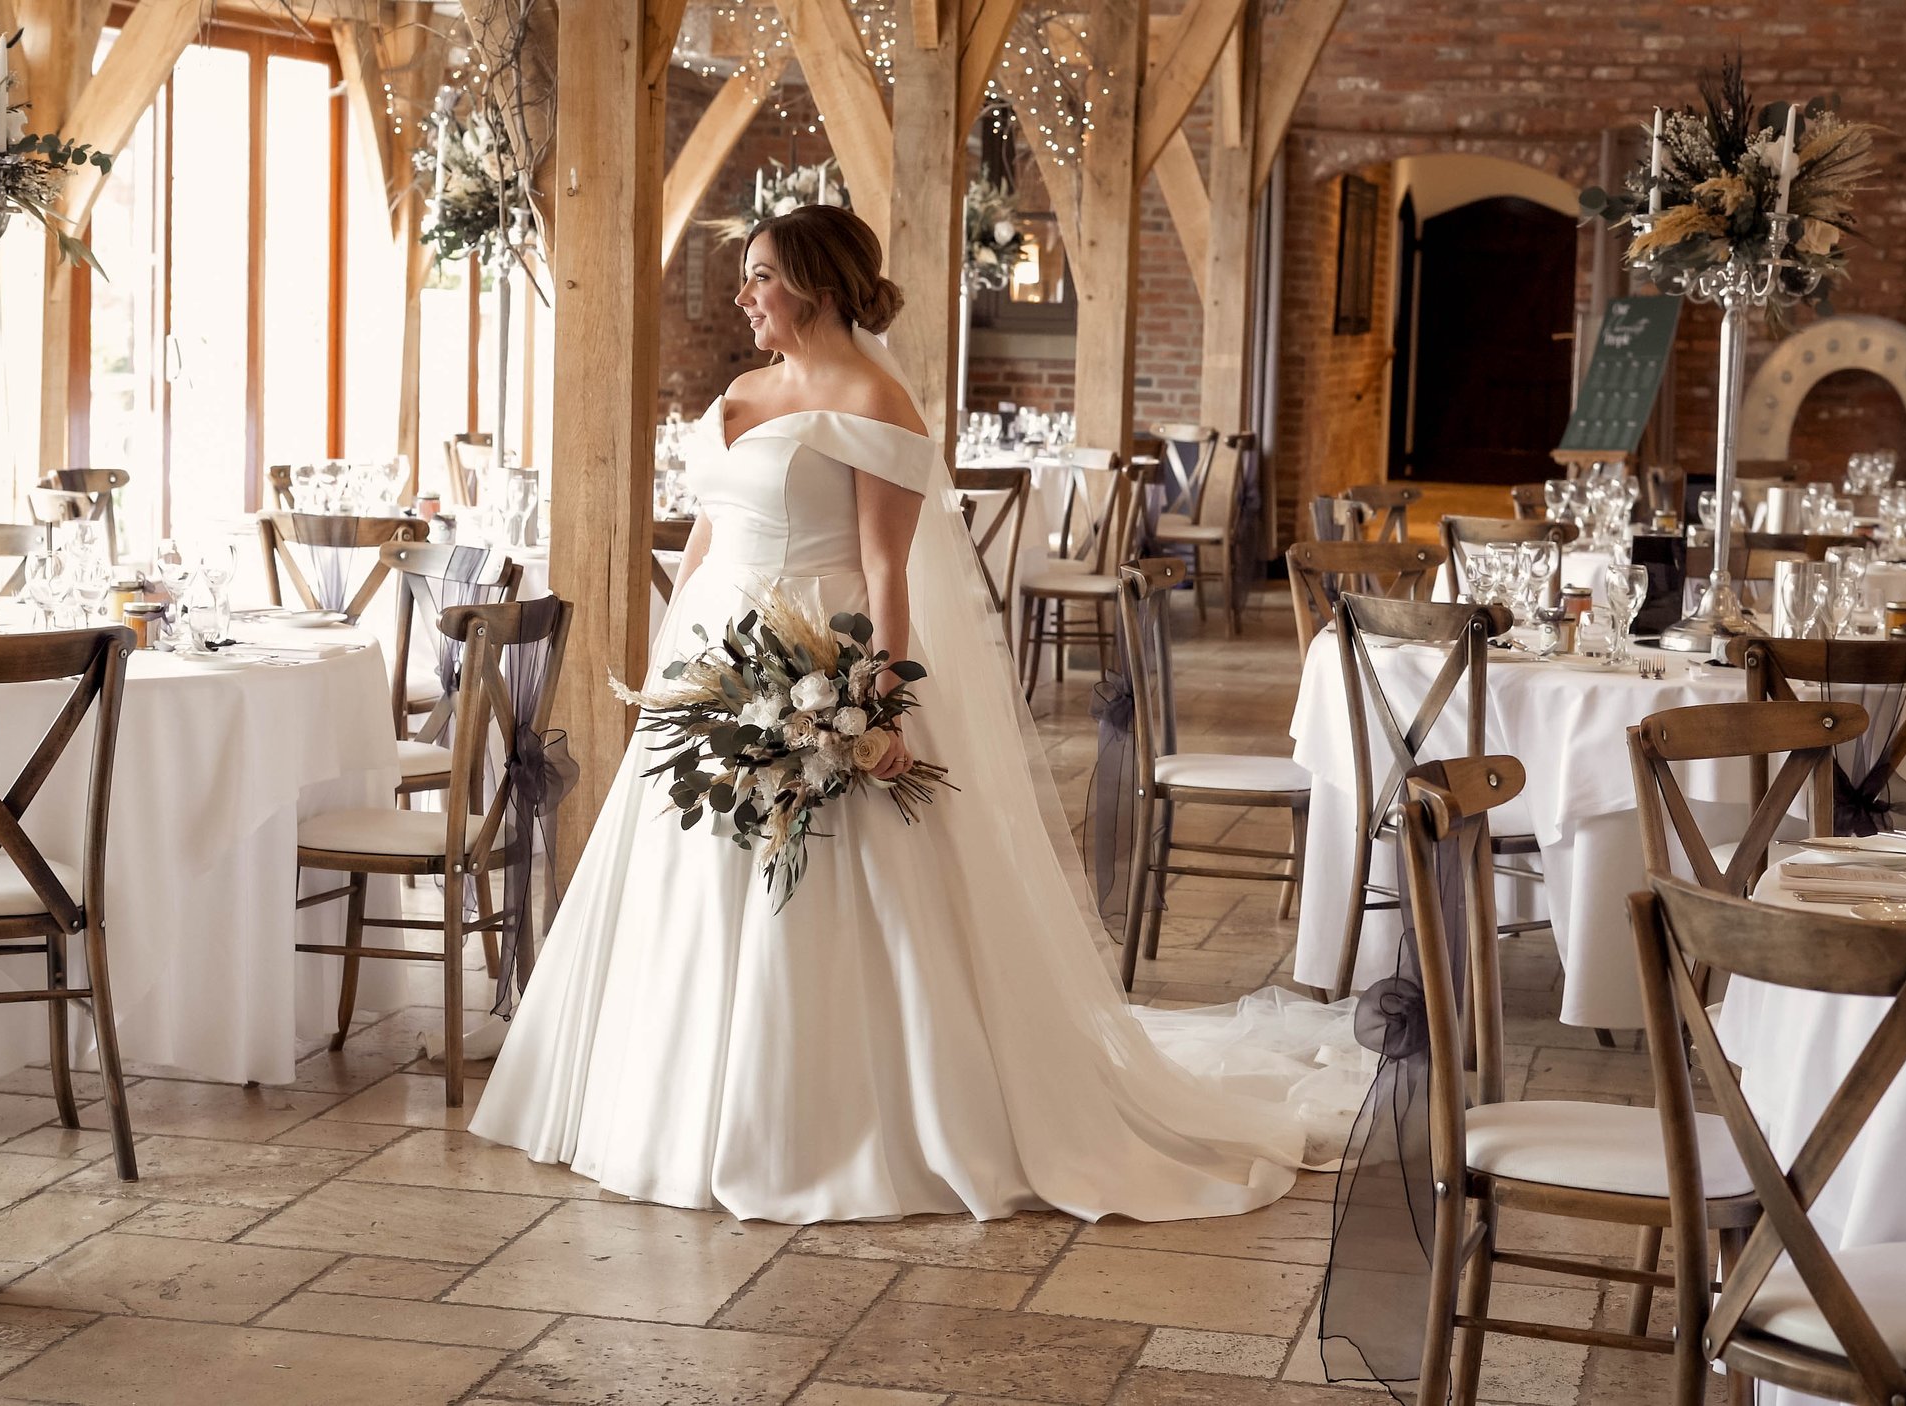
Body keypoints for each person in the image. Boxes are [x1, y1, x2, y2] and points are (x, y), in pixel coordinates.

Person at [469, 202, 1363, 1223]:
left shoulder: (877, 402)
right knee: (685, 875)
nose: (743, 296)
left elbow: (887, 567)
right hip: (712, 659)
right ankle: (657, 1099)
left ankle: (820, 1117)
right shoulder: (741, 387)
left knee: (821, 888)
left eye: (759, 275)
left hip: (814, 656)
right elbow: (710, 536)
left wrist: (875, 701)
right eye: (745, 276)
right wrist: (676, 660)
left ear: (812, 281)